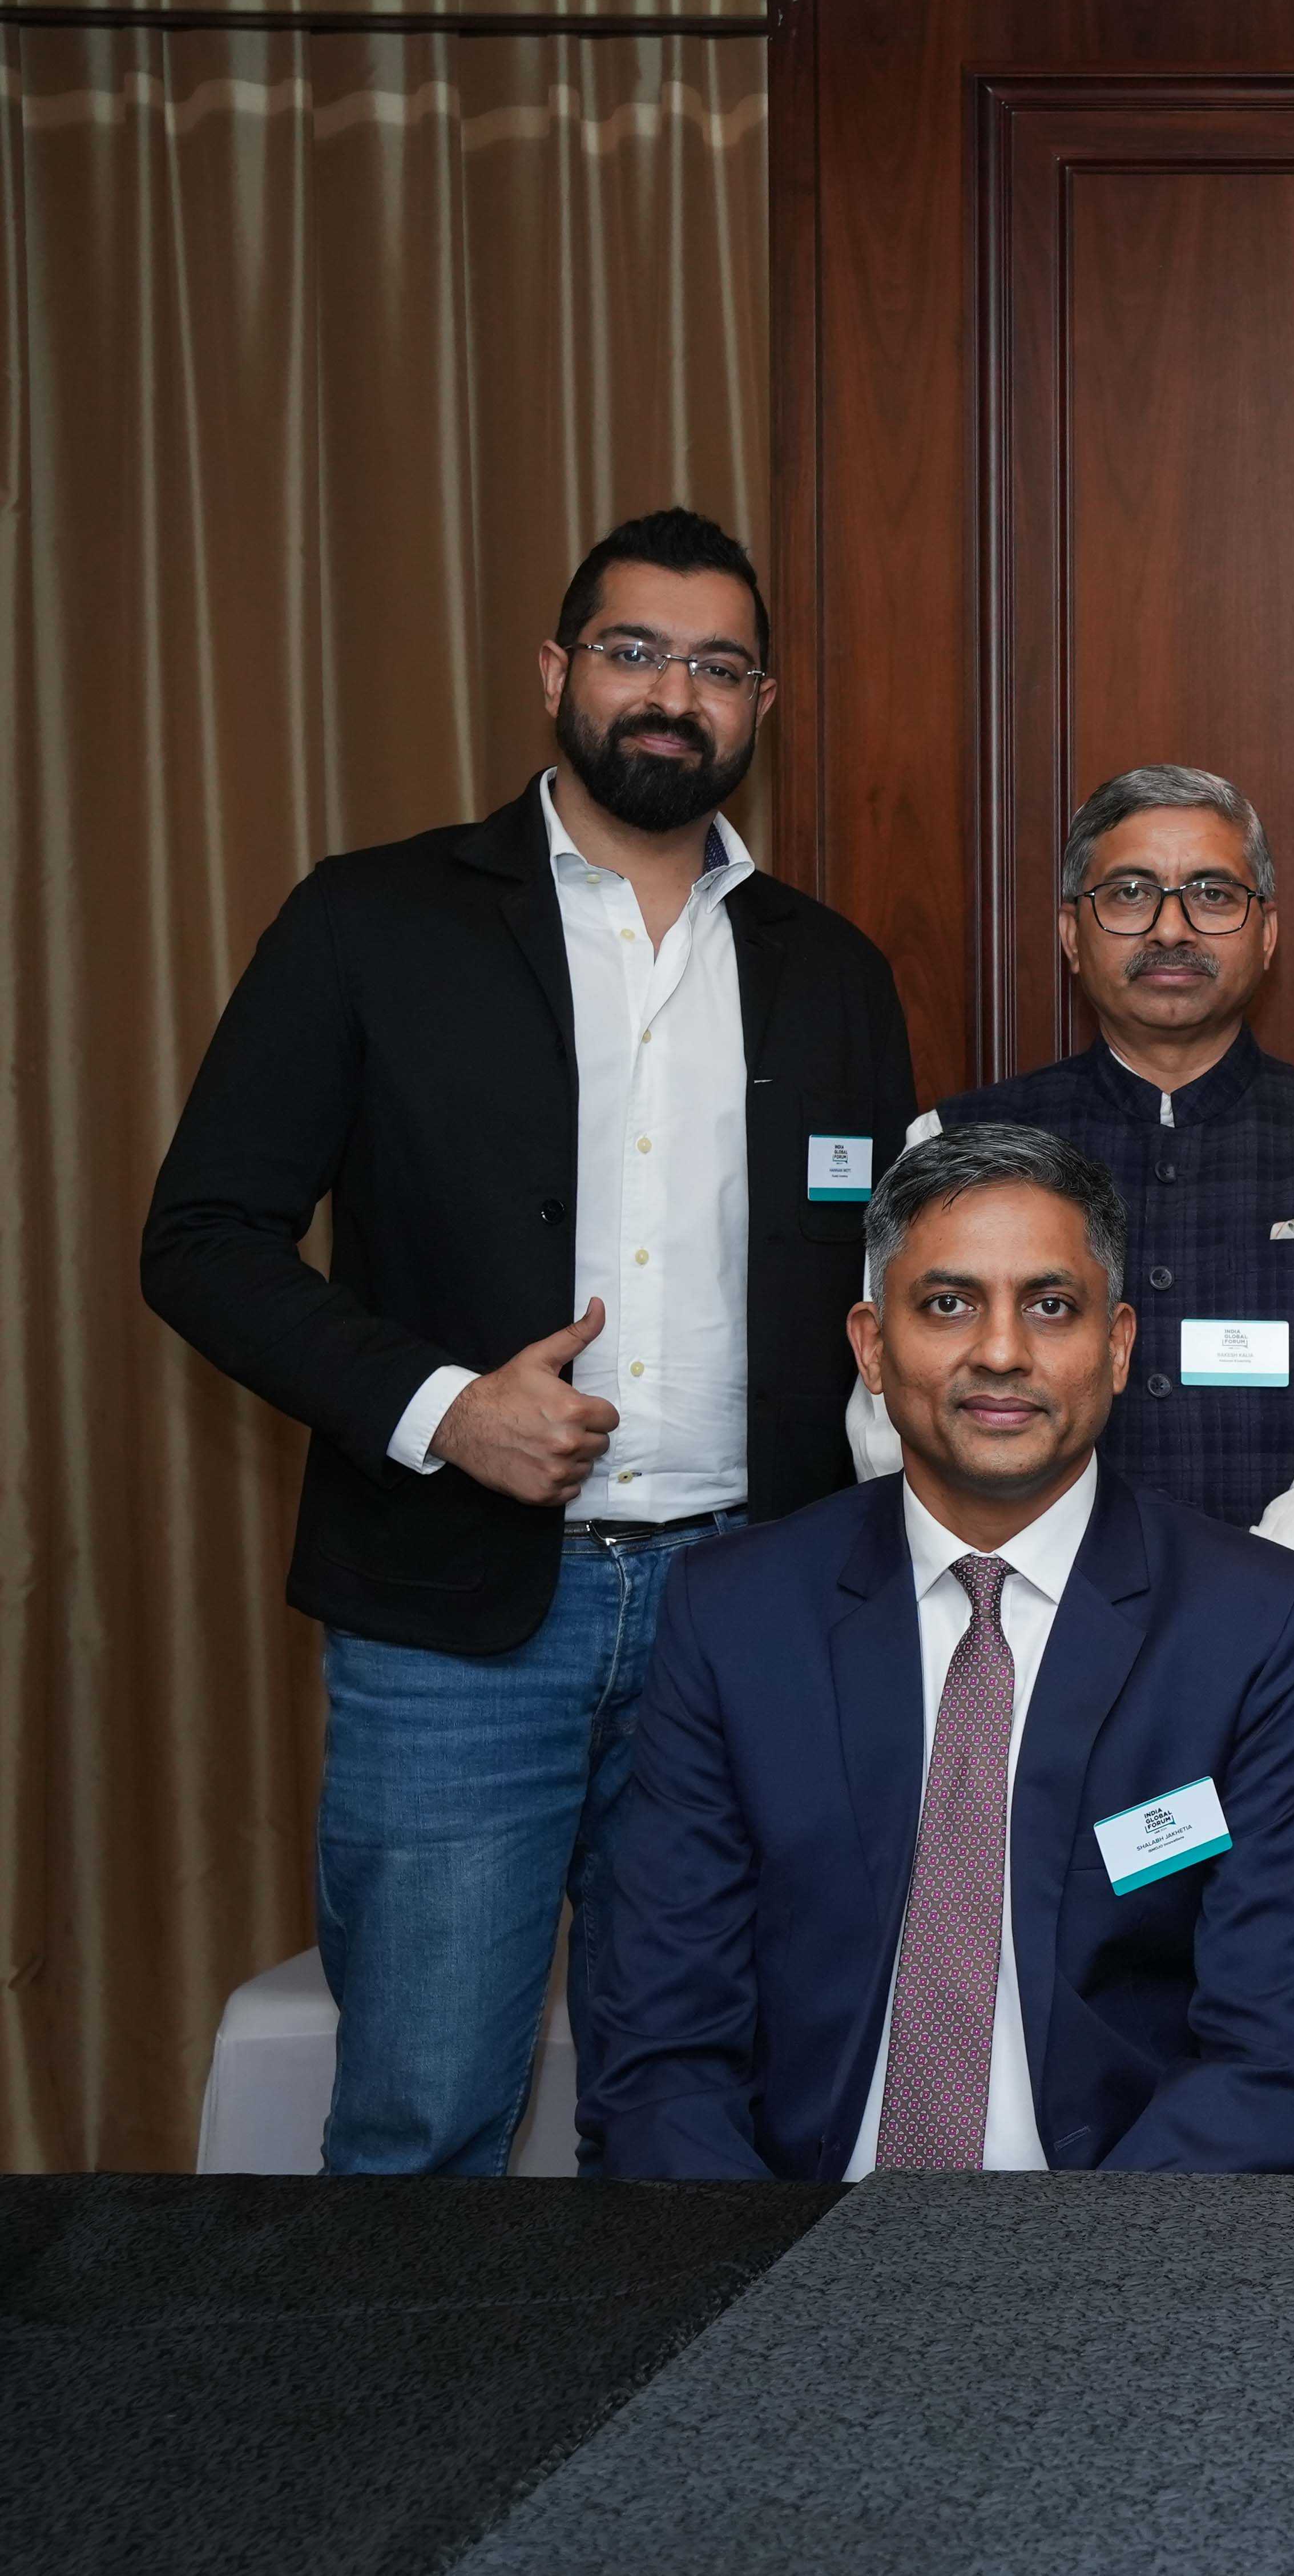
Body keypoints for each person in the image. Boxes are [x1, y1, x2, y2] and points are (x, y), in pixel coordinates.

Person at [140, 506, 915, 2175]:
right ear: (557, 672)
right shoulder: (372, 920)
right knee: (423, 2123)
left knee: (708, 2122)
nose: (672, 695)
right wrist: (440, 1409)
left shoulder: (834, 972)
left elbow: (879, 1288)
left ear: (761, 705)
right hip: (456, 1621)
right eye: (634, 651)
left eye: (716, 666)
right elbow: (201, 1239)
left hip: (746, 1613)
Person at [577, 1124, 1294, 2177]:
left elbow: (1261, 2061)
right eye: (947, 1304)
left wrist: (1079, 2267)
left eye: (1051, 1305)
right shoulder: (737, 1614)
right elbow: (665, 2050)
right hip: (788, 2223)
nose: (1001, 1351)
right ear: (871, 1345)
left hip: (1118, 2230)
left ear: (1118, 1345)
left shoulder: (1251, 1623)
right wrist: (763, 2262)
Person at [848, 765, 1294, 1612]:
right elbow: (897, 1414)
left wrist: (1236, 1624)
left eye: (1212, 894)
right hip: (1010, 1627)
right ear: (1071, 934)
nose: (1171, 928)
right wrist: (1034, 1605)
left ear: (1266, 933)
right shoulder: (951, 1142)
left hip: (1278, 1646)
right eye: (1129, 894)